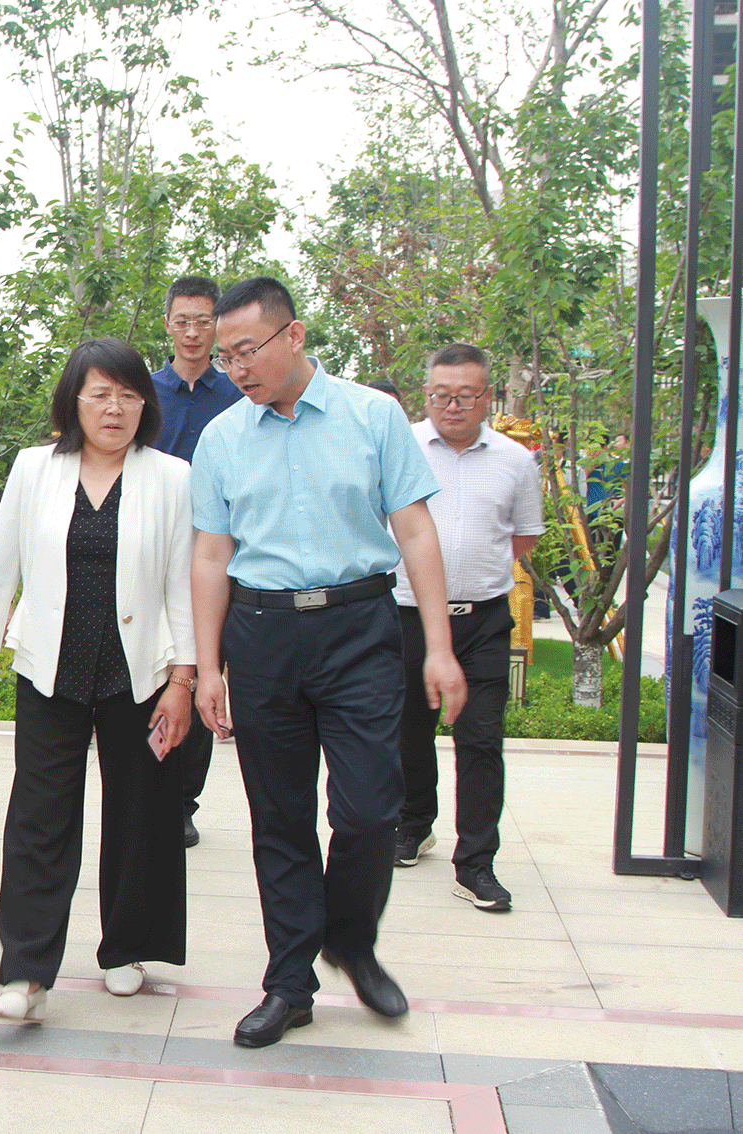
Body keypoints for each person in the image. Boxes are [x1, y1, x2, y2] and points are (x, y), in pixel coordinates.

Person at [187, 277, 467, 1049]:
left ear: (294, 335)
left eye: (247, 350)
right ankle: (288, 984)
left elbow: (414, 532)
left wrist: (439, 647)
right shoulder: (222, 438)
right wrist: (207, 667)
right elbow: (209, 555)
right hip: (261, 634)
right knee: (279, 818)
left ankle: (349, 939)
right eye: (225, 356)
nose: (235, 368)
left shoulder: (371, 416)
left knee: (370, 810)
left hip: (359, 629)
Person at [0, 338, 197, 1021]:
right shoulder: (36, 468)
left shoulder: (171, 477)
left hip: (140, 671)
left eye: (128, 395)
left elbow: (182, 582)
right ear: (74, 401)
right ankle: (25, 974)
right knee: (39, 818)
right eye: (100, 395)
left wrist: (182, 679)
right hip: (49, 667)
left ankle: (127, 949)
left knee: (141, 814)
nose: (114, 409)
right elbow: (0, 565)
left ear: (145, 405)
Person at [393, 343, 543, 914]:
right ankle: (414, 824)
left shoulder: (515, 461)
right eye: (440, 395)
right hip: (406, 613)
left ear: (488, 397)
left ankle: (476, 862)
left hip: (481, 620)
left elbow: (522, 537)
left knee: (481, 737)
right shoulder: (400, 447)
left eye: (464, 396)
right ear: (425, 394)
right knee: (408, 728)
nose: (451, 406)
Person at [149, 275, 242, 850]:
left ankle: (184, 802)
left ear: (217, 326)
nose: (192, 332)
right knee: (154, 671)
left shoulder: (236, 395)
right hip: (153, 551)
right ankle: (151, 791)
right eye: (182, 321)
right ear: (168, 324)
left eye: (203, 321)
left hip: (216, 555)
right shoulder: (143, 392)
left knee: (203, 669)